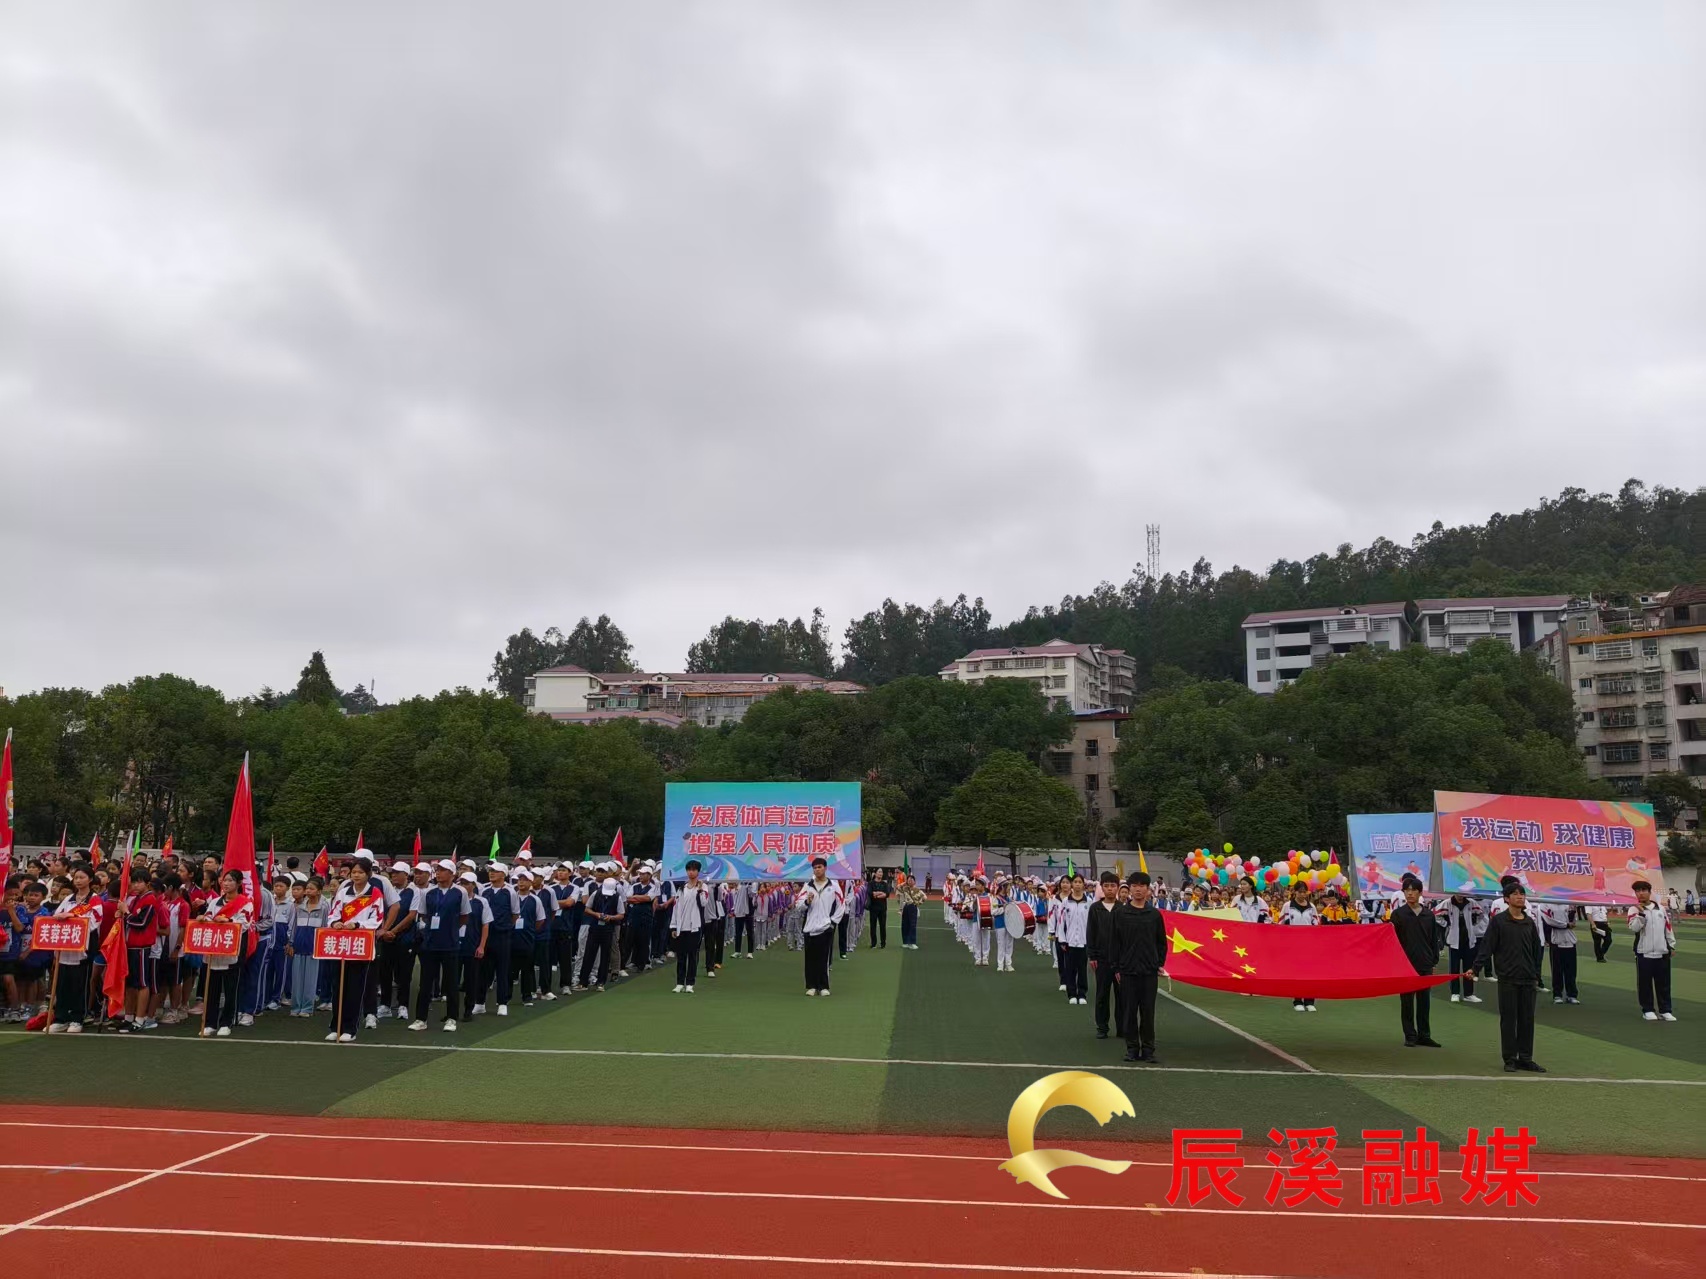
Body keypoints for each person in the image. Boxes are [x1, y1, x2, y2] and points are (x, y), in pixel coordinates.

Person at [1474, 879, 1545, 1072]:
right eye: (1515, 894)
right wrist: (1476, 968)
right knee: (1508, 1020)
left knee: (1527, 1019)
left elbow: (1536, 950)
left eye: (1522, 894)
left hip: (1528, 977)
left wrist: (1536, 974)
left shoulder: (1529, 922)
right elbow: (1487, 946)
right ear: (1506, 899)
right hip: (1507, 977)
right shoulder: (1499, 921)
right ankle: (1510, 1058)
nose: (1520, 897)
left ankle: (1526, 1057)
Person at [325, 858, 386, 1042]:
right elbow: (333, 913)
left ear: (368, 874)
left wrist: (358, 924)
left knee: (355, 987)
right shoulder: (344, 892)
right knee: (338, 986)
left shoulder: (375, 893)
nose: (356, 876)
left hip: (361, 945)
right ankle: (336, 1026)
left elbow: (377, 919)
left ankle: (350, 1028)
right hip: (342, 944)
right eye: (354, 873)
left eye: (360, 872)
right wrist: (335, 923)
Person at [1111, 871, 1166, 1063]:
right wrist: (1117, 968)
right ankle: (1132, 1049)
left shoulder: (1154, 915)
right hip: (1127, 971)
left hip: (1149, 971)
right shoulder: (1120, 914)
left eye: (1142, 886)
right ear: (1129, 889)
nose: (1138, 889)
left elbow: (1161, 942)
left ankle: (1148, 1050)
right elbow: (1114, 943)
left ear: (1148, 889)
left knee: (1148, 1012)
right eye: (1134, 886)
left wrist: (1158, 963)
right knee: (1129, 1012)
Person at [1390, 875, 1441, 1048]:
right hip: (1405, 964)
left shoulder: (1428, 915)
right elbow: (1393, 940)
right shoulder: (1398, 915)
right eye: (1407, 890)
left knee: (1424, 1001)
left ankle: (1424, 1035)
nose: (1410, 893)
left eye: (1413, 890)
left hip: (1425, 963)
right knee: (1407, 1002)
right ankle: (1410, 1035)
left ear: (1420, 893)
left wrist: (1434, 959)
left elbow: (1434, 939)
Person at [201, 871, 253, 1038]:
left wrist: (229, 921)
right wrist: (204, 919)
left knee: (231, 989)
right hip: (214, 949)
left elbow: (245, 923)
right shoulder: (215, 902)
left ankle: (226, 1022)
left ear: (238, 883)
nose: (226, 883)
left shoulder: (245, 903)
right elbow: (209, 916)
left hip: (232, 951)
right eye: (224, 880)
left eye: (230, 880)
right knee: (212, 988)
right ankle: (210, 1022)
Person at [1627, 880, 1677, 1021]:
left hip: (1662, 952)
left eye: (1643, 890)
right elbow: (1634, 928)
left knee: (1664, 984)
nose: (1641, 893)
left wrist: (1671, 945)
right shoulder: (1633, 909)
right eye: (1638, 891)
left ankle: (1665, 1010)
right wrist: (1641, 914)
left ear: (1649, 892)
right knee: (1645, 984)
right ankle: (1647, 1010)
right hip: (1644, 952)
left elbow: (1668, 928)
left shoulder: (1660, 909)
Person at [799, 856, 845, 997]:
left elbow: (841, 905)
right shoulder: (808, 886)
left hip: (825, 927)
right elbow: (798, 905)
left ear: (825, 868)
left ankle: (823, 986)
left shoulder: (833, 886)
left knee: (823, 958)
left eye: (819, 867)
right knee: (810, 958)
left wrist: (832, 922)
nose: (817, 870)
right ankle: (811, 986)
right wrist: (807, 902)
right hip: (809, 927)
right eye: (815, 868)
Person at [477, 861, 518, 1016]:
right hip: (487, 935)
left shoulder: (510, 892)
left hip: (503, 936)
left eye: (495, 871)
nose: (491, 873)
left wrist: (504, 926)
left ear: (503, 874)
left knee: (503, 970)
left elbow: (515, 914)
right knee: (483, 970)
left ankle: (502, 1003)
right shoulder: (484, 890)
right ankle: (479, 1003)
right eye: (490, 871)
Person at [286, 876, 329, 1018]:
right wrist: (291, 943)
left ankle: (307, 1007)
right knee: (297, 979)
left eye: (312, 889)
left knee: (310, 979)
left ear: (319, 891)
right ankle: (295, 1006)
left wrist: (322, 947)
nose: (308, 891)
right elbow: (293, 927)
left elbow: (325, 927)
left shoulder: (323, 908)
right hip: (298, 946)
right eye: (307, 889)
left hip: (313, 947)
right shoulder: (299, 908)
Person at [1086, 871, 1121, 1039]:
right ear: (1101, 888)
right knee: (1102, 994)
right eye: (1106, 886)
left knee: (1122, 995)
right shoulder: (1095, 908)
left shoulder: (1123, 909)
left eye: (1113, 886)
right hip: (1101, 959)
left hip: (1120, 961)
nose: (1110, 889)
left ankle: (1122, 1027)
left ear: (1118, 888)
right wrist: (1092, 955)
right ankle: (1102, 1027)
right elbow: (1091, 933)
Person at [670, 859, 711, 992]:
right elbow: (676, 908)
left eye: (693, 870)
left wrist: (700, 890)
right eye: (689, 870)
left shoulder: (703, 887)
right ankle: (679, 983)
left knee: (692, 955)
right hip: (681, 927)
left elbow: (704, 903)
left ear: (698, 872)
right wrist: (674, 926)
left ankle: (690, 983)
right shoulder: (681, 889)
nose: (691, 872)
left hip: (695, 926)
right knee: (681, 956)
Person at [578, 873, 624, 992]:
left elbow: (621, 914)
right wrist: (596, 914)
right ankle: (583, 982)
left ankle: (601, 982)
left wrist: (611, 917)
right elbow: (587, 908)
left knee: (605, 956)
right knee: (589, 954)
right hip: (594, 927)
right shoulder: (596, 894)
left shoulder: (617, 897)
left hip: (608, 929)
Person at [1277, 882, 1319, 1011]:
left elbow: (1316, 924)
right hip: (1293, 945)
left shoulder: (1311, 907)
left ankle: (1309, 1001)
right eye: (1300, 892)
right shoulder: (1287, 906)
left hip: (1308, 944)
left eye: (1304, 892)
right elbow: (1280, 924)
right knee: (1296, 973)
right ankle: (1297, 1000)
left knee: (1310, 973)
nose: (1302, 894)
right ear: (1294, 892)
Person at [1438, 893, 1485, 1003]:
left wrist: (1473, 923)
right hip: (1454, 941)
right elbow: (1435, 914)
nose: (1460, 895)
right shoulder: (1447, 903)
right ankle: (1455, 993)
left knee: (1469, 968)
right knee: (1454, 969)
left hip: (1469, 940)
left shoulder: (1471, 903)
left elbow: (1481, 914)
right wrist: (1446, 924)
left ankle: (1469, 994)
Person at [1057, 875, 1091, 1006]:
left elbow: (1091, 924)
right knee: (1070, 969)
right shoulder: (1066, 902)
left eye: (1080, 882)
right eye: (1075, 882)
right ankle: (1071, 994)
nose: (1077, 884)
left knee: (1082, 969)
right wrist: (1062, 940)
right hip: (1069, 941)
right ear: (1072, 884)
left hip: (1083, 941)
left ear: (1083, 885)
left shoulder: (1089, 902)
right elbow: (1061, 922)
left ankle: (1082, 993)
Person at [1537, 903, 1580, 1005]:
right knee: (1557, 970)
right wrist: (1566, 925)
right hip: (1556, 940)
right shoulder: (1545, 904)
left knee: (1571, 970)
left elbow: (1573, 921)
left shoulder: (1568, 903)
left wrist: (1573, 914)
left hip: (1570, 940)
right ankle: (1557, 994)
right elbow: (1549, 921)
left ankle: (1572, 995)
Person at [894, 873, 926, 950]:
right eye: (909, 880)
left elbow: (924, 897)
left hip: (913, 907)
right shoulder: (905, 888)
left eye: (912, 880)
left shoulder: (917, 890)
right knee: (905, 924)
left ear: (914, 882)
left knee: (912, 925)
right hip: (906, 906)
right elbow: (898, 887)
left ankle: (912, 942)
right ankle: (905, 942)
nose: (910, 881)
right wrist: (905, 883)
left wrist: (917, 903)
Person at [867, 871, 889, 949]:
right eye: (879, 872)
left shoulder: (884, 884)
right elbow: (870, 893)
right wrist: (881, 894)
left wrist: (876, 894)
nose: (880, 874)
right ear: (875, 874)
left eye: (881, 872)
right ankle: (873, 943)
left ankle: (883, 943)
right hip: (873, 907)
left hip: (882, 908)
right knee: (873, 926)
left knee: (883, 926)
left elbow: (887, 894)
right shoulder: (871, 883)